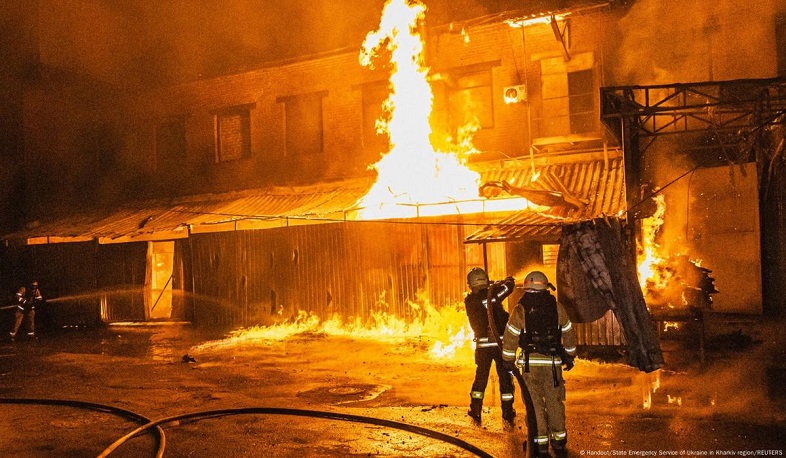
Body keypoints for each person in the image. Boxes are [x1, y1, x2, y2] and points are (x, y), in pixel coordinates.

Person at [502, 271, 577, 458]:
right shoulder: (557, 307)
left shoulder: (521, 309)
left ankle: (540, 444)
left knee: (534, 405)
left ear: (527, 287)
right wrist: (569, 355)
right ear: (545, 286)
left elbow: (511, 335)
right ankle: (559, 442)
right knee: (554, 402)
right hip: (552, 365)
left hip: (530, 366)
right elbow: (568, 330)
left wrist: (507, 359)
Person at [463, 267, 517, 425]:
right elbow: (508, 289)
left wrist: (493, 286)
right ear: (485, 280)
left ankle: (475, 408)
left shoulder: (470, 300)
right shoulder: (491, 295)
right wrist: (508, 280)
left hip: (482, 348)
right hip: (499, 345)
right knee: (505, 377)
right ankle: (507, 411)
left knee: (480, 378)